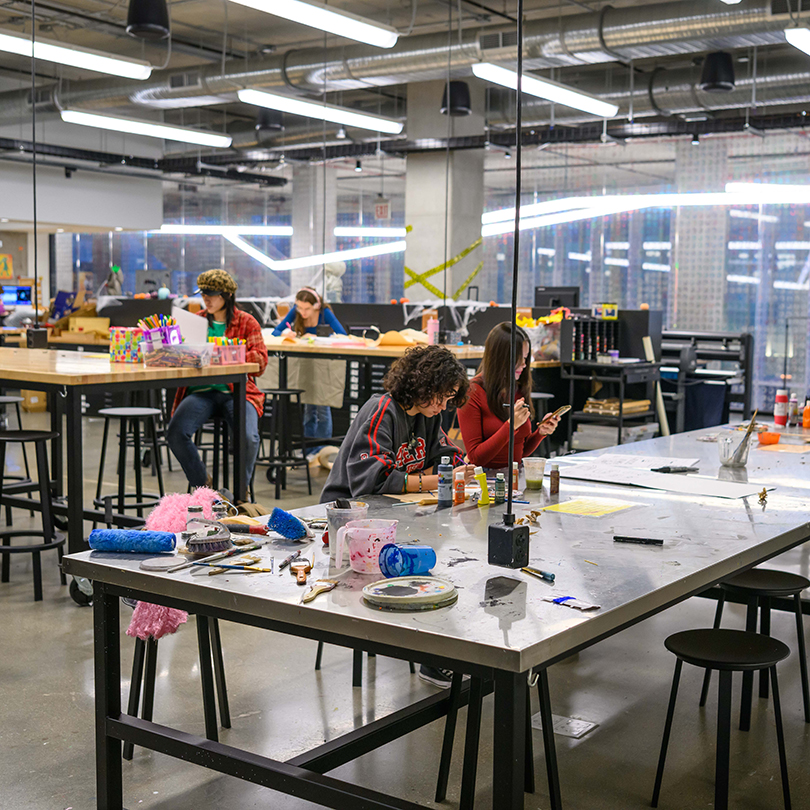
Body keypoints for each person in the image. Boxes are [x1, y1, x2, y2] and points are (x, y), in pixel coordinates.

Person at [320, 344, 475, 689]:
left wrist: (464, 468)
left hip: (394, 514)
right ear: (422, 382)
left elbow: (447, 454)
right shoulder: (382, 410)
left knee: (443, 553)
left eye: (449, 400)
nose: (442, 406)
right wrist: (437, 479)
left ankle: (439, 650)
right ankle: (432, 658)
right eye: (440, 396)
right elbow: (370, 481)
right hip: (351, 520)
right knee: (424, 566)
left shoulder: (428, 417)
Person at [167, 269, 268, 498]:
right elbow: (177, 355)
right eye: (204, 294)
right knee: (176, 432)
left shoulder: (246, 322)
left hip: (238, 392)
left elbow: (260, 362)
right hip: (200, 391)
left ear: (227, 295)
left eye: (212, 294)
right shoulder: (195, 321)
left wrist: (228, 354)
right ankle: (206, 488)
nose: (207, 300)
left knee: (249, 438)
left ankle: (238, 495)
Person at [458, 322, 560, 469]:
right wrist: (511, 426)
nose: (524, 365)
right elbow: (475, 457)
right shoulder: (472, 392)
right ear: (501, 358)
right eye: (519, 359)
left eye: (526, 358)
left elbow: (519, 451)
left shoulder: (518, 388)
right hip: (484, 480)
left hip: (514, 476)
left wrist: (540, 433)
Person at [272, 287, 347, 457]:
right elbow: (275, 332)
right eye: (299, 307)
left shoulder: (324, 313)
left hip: (323, 364)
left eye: (307, 308)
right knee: (308, 408)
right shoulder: (296, 312)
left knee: (322, 407)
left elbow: (342, 334)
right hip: (305, 364)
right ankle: (309, 449)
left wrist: (322, 339)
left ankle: (322, 451)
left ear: (316, 305)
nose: (303, 312)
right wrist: (286, 333)